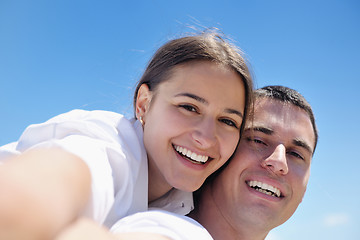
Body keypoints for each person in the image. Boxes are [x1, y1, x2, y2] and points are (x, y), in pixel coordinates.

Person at [0, 30, 253, 240]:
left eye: (228, 121)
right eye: (188, 107)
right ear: (143, 104)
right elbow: (56, 178)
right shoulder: (108, 145)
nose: (206, 138)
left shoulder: (185, 204)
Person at [101, 85, 318, 240]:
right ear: (220, 154)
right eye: (258, 140)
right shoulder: (165, 229)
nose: (279, 161)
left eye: (297, 154)